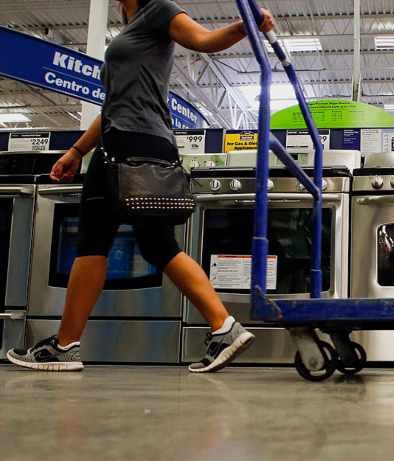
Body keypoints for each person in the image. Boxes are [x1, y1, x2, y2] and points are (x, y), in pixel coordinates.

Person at [6, 0, 275, 372]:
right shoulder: (134, 26)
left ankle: (65, 345)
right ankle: (224, 327)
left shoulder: (158, 10)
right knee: (158, 246)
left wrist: (245, 26)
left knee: (93, 241)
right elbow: (113, 104)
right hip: (140, 141)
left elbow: (203, 40)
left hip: (127, 144)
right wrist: (76, 150)